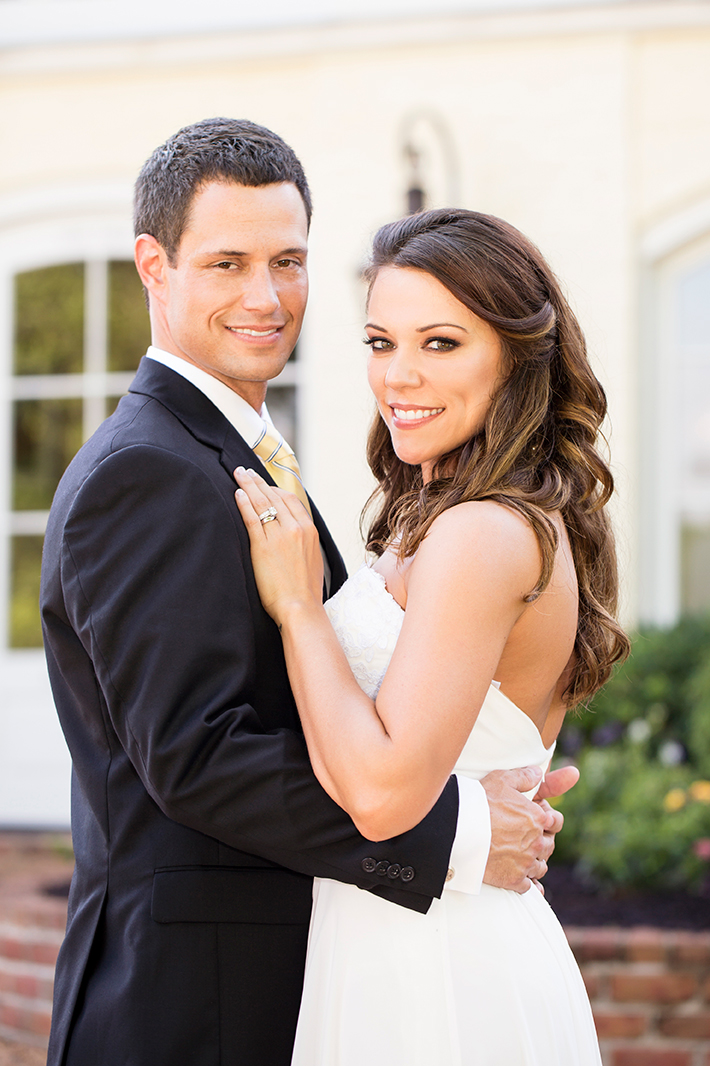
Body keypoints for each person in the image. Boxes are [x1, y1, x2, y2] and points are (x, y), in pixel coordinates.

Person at [41, 119, 573, 1066]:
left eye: (287, 261)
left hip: (323, 978)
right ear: (153, 266)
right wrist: (457, 831)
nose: (265, 296)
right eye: (228, 263)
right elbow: (196, 756)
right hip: (191, 1004)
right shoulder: (149, 470)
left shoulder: (242, 453)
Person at [234, 207, 630, 1065]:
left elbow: (383, 797)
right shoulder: (454, 513)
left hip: (439, 970)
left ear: (517, 355)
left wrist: (301, 609)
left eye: (440, 343)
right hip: (404, 935)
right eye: (381, 342)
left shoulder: (482, 532)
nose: (399, 376)